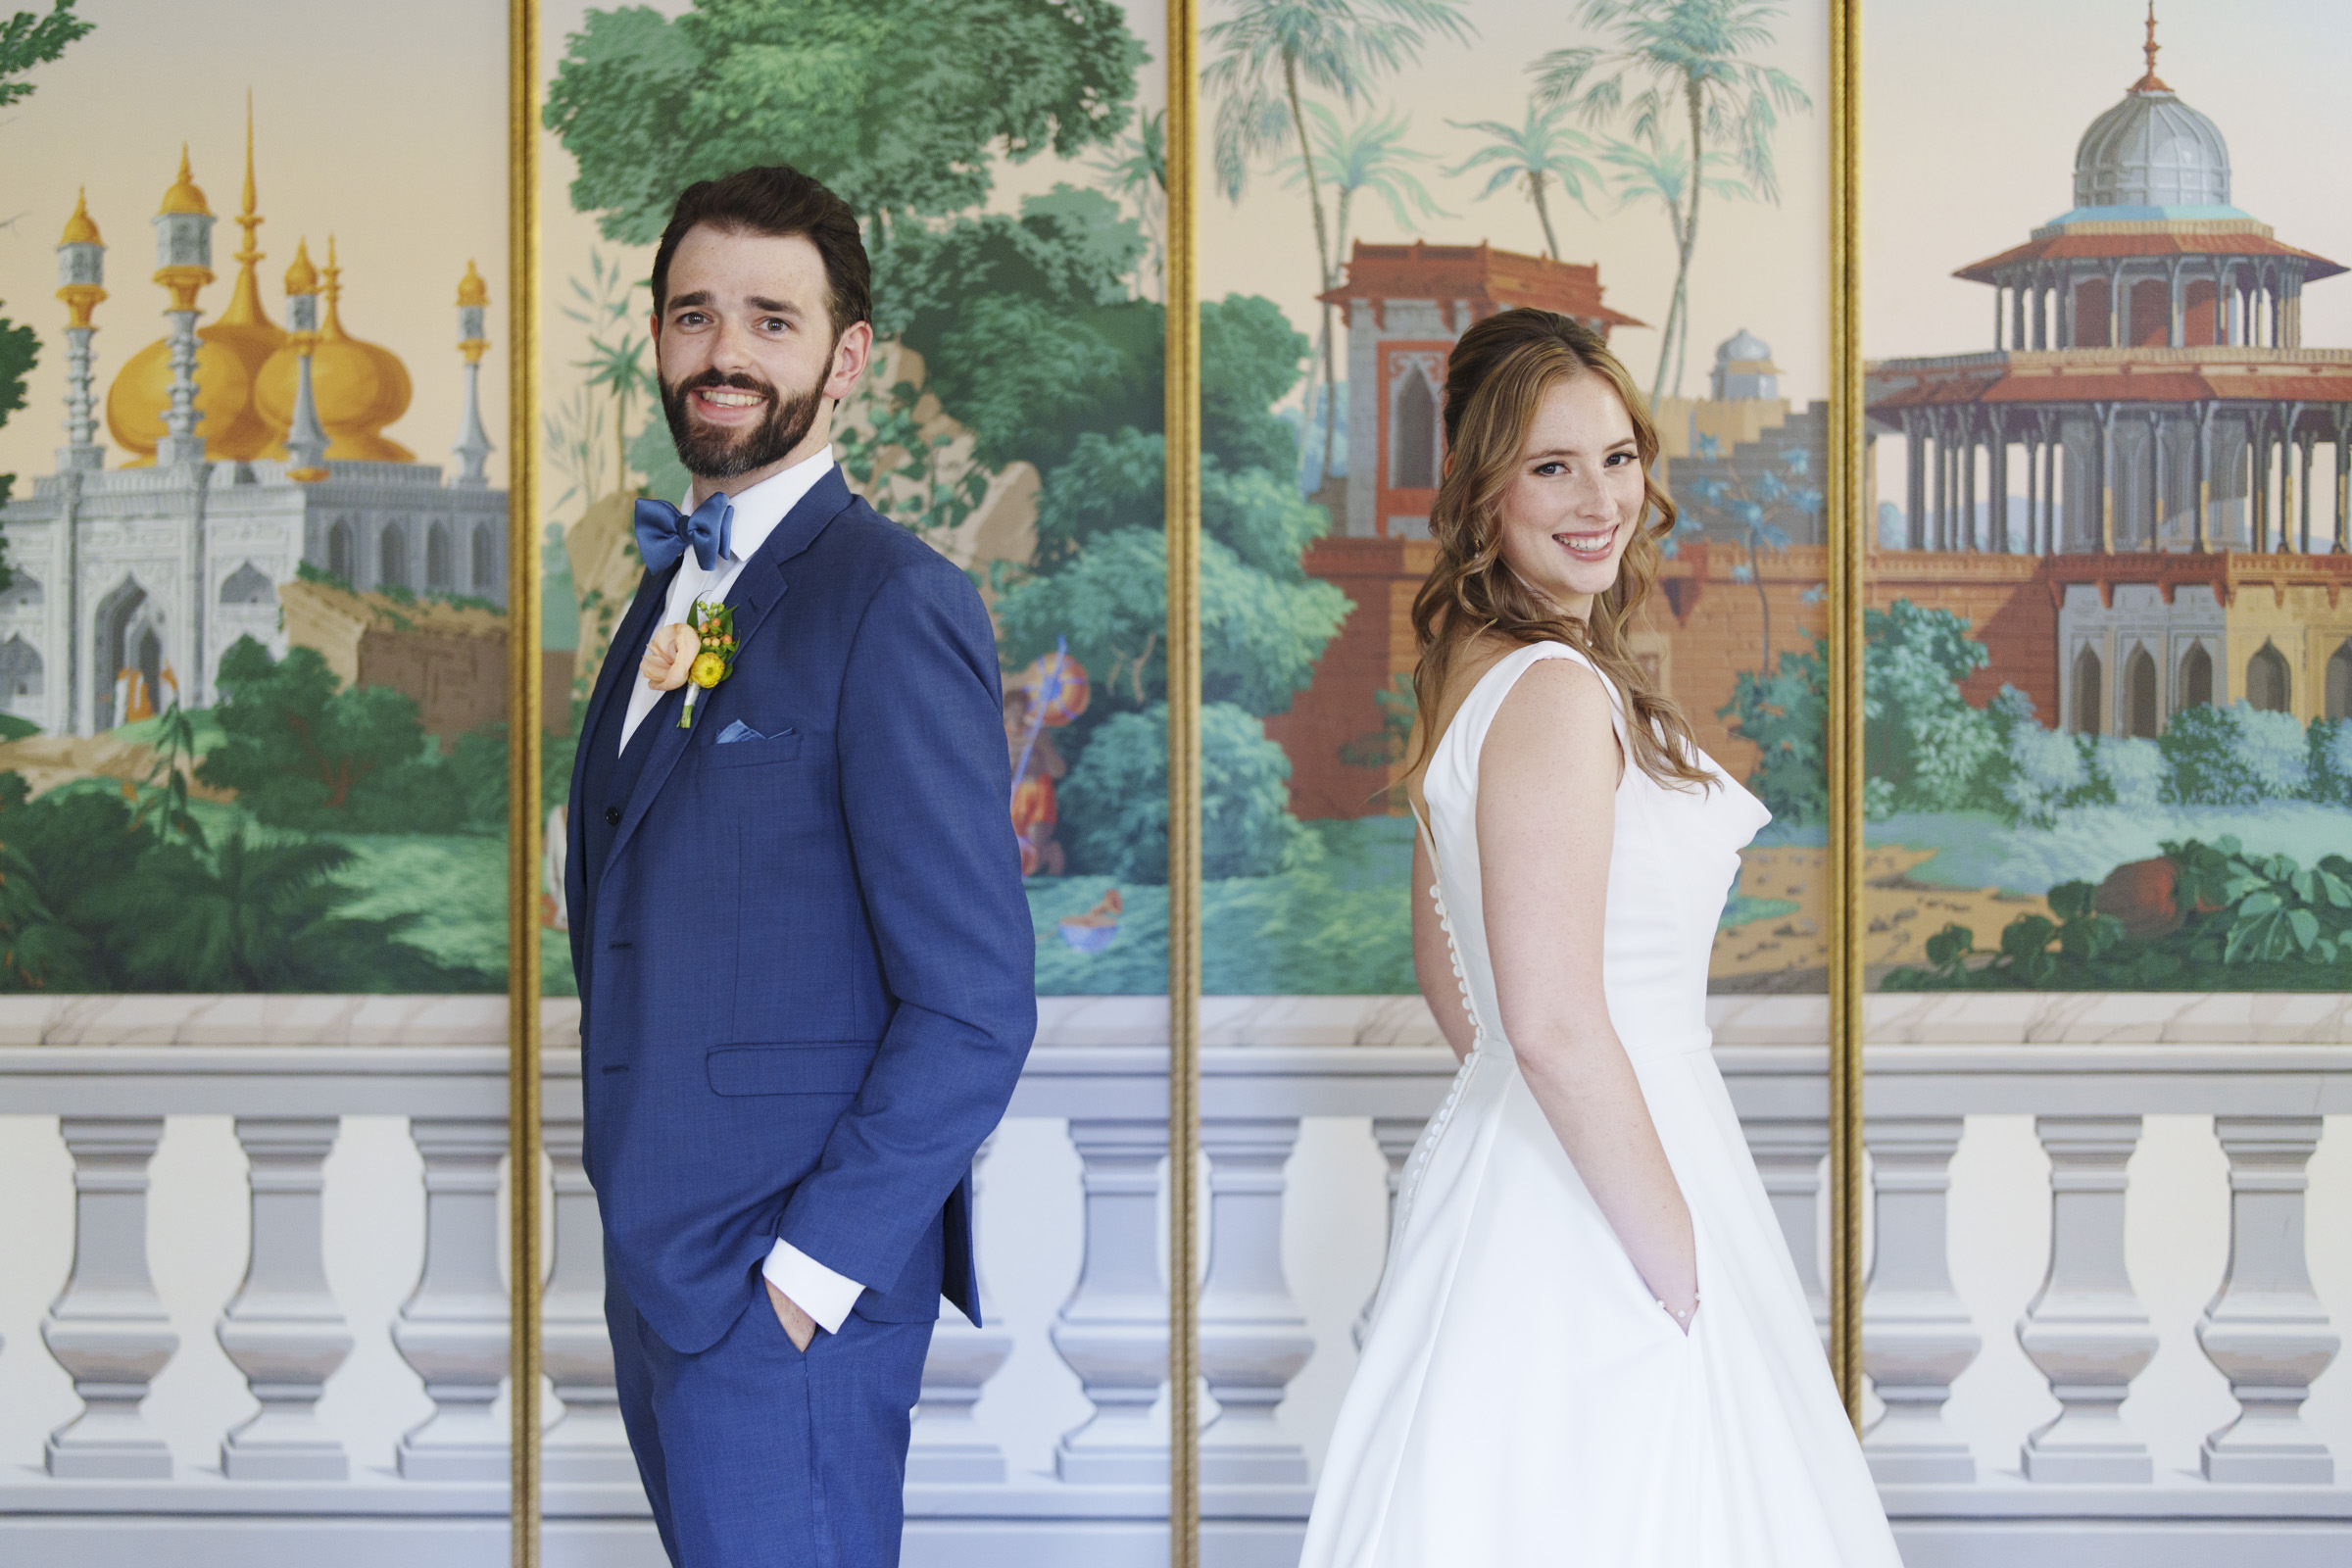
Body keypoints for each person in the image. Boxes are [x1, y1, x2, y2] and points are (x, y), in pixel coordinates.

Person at [1298, 309, 1900, 1566]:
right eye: (1551, 465)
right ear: (1482, 488)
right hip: (1613, 1179)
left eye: (1618, 456)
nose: (1599, 498)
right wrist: (1677, 1257)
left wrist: (1520, 1106)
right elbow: (1553, 1020)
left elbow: (1450, 970)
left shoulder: (1475, 670)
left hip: (1532, 1162)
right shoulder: (1558, 692)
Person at [564, 164, 1035, 1568]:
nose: (724, 351)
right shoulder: (666, 589)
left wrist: (807, 1279)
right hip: (661, 1273)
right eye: (694, 314)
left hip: (786, 1298)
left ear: (847, 361)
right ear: (657, 340)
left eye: (771, 319)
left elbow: (975, 1002)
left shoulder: (897, 600)